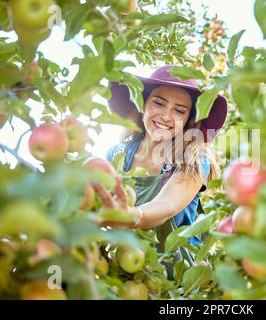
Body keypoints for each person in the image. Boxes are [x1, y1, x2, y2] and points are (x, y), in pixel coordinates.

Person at [95, 66, 227, 274]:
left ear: (188, 119)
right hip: (121, 269)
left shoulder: (193, 159)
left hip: (173, 280)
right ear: (143, 105)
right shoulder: (117, 155)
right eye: (158, 103)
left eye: (179, 110)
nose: (166, 116)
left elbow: (167, 204)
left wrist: (130, 215)